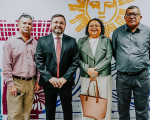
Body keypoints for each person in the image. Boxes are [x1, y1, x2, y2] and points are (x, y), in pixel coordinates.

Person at [35, 14, 79, 120]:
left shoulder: (72, 41)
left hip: (65, 82)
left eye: (61, 23)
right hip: (49, 82)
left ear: (65, 25)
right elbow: (39, 61)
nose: (58, 25)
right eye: (56, 22)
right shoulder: (42, 40)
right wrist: (50, 78)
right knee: (50, 111)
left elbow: (75, 61)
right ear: (51, 24)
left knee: (67, 110)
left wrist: (65, 78)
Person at [112, 5, 150, 120]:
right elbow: (114, 51)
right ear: (124, 17)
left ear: (140, 16)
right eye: (129, 14)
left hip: (142, 77)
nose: (132, 17)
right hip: (122, 77)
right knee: (123, 110)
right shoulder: (117, 32)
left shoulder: (148, 32)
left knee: (142, 110)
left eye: (135, 14)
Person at [3, 13, 40, 120]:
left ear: (32, 26)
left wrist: (37, 80)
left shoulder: (35, 43)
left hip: (31, 83)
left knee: (26, 114)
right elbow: (6, 65)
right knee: (15, 114)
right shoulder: (10, 42)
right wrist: (10, 84)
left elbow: (38, 63)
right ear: (18, 25)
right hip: (16, 83)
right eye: (24, 23)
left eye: (29, 24)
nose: (27, 26)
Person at [78, 18, 112, 120]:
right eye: (91, 25)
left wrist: (95, 70)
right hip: (86, 76)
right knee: (87, 101)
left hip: (103, 76)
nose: (94, 27)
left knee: (103, 102)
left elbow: (108, 57)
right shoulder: (81, 41)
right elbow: (77, 58)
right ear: (87, 29)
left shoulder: (106, 40)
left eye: (97, 25)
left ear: (101, 28)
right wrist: (87, 69)